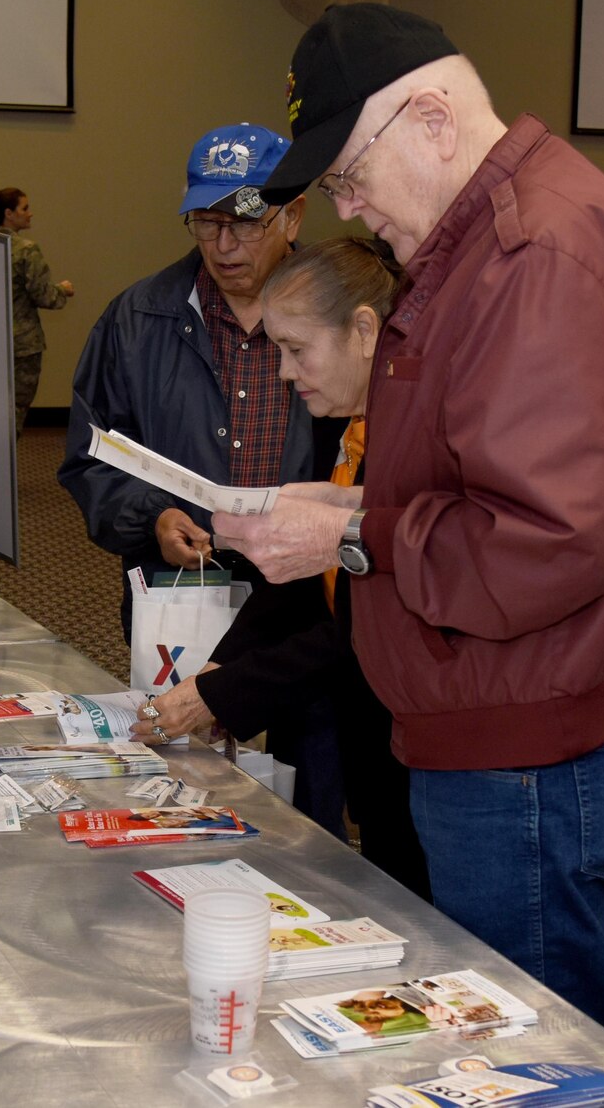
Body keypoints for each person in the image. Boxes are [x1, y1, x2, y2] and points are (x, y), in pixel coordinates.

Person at [215, 2, 604, 1038]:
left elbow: (543, 543)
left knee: (528, 1046)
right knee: (514, 1035)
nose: (350, 205)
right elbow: (489, 483)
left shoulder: (529, 255)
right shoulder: (489, 244)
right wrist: (353, 503)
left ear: (430, 119)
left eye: (348, 174)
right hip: (511, 723)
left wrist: (352, 536)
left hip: (527, 748)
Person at [58, 123, 344, 829]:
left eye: (244, 223)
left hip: (312, 610)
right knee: (179, 788)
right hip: (180, 598)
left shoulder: (341, 320)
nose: (223, 247)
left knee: (313, 804)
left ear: (293, 215)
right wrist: (149, 518)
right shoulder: (137, 319)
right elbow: (88, 459)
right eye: (206, 223)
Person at [132, 238, 429, 899]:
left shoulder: (415, 444)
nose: (286, 375)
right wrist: (221, 665)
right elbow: (310, 583)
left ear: (363, 330)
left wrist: (225, 692)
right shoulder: (343, 428)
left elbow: (366, 624)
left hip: (421, 750)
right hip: (374, 745)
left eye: (297, 351)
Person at [0, 188, 74, 432]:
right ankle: (3, 466)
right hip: (22, 346)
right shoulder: (26, 250)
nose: (30, 213)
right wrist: (63, 290)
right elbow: (43, 296)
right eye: (24, 208)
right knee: (14, 410)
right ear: (8, 213)